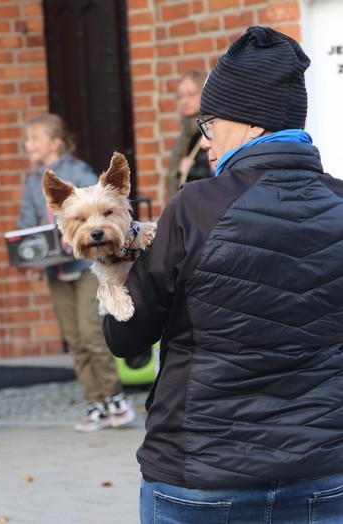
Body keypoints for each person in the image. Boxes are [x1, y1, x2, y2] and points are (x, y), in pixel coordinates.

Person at [103, 26, 343, 523]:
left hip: (203, 480)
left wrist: (112, 264)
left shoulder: (194, 208)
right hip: (326, 476)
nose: (205, 140)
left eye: (210, 124)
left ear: (254, 124)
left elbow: (127, 338)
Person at [17, 113, 135, 432]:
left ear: (55, 143)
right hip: (55, 270)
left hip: (85, 268)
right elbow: (26, 225)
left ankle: (115, 397)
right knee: (74, 340)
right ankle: (94, 401)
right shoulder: (32, 182)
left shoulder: (78, 172)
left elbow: (93, 212)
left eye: (34, 139)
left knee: (92, 334)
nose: (27, 145)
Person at [165, 70, 214, 199]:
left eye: (191, 95)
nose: (185, 101)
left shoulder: (210, 129)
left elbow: (217, 173)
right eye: (181, 96)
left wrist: (191, 170)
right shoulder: (186, 135)